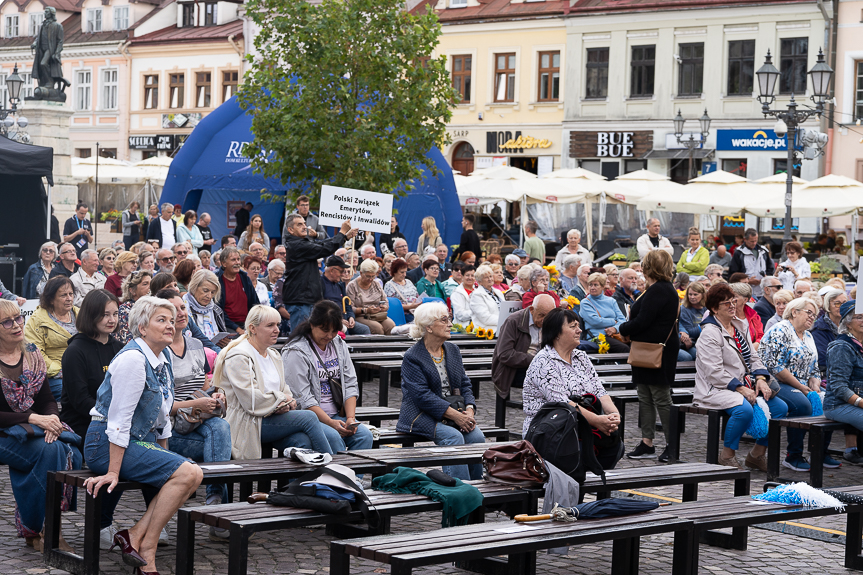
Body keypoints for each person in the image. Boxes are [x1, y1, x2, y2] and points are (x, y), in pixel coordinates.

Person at [82, 296, 203, 575]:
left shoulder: (163, 357)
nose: (170, 325)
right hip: (104, 443)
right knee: (189, 473)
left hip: (139, 441)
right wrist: (113, 472)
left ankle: (136, 537)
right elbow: (119, 420)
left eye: (171, 320)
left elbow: (163, 418)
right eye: (161, 320)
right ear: (142, 327)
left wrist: (167, 457)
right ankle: (145, 546)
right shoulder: (134, 359)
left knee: (189, 473)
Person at [0, 299, 81, 553]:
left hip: (30, 431)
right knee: (55, 452)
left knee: (61, 450)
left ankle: (40, 530)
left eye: (18, 318)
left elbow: (46, 400)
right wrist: (32, 418)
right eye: (7, 322)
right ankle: (45, 530)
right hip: (5, 433)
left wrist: (52, 419)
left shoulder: (33, 353)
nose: (16, 325)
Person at [212, 305, 332, 460]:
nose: (277, 330)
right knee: (309, 417)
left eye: (278, 325)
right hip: (247, 422)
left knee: (303, 442)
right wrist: (281, 401)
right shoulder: (239, 356)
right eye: (270, 325)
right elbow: (251, 400)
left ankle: (301, 484)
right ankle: (335, 470)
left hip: (272, 418)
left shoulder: (273, 354)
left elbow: (284, 388)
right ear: (252, 328)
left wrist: (289, 401)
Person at [693, 283, 788, 470]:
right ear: (714, 309)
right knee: (744, 410)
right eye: (726, 303)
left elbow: (753, 357)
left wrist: (761, 379)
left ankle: (756, 455)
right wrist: (741, 388)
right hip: (715, 388)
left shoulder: (739, 325)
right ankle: (727, 455)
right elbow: (714, 372)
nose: (732, 306)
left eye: (733, 301)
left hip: (743, 385)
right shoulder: (710, 333)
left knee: (780, 408)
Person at [157, 290, 231, 531]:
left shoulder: (197, 345)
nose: (181, 313)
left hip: (198, 422)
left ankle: (215, 501)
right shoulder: (158, 350)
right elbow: (161, 407)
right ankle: (217, 508)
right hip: (168, 432)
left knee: (220, 427)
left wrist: (215, 395)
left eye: (183, 307)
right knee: (219, 438)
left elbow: (204, 386)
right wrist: (196, 404)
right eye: (174, 309)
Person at [522, 307, 622, 466]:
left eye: (578, 325)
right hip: (549, 433)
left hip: (579, 428)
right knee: (582, 452)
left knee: (614, 445)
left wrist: (614, 414)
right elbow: (562, 404)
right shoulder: (543, 361)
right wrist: (597, 420)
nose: (579, 330)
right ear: (556, 333)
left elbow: (599, 390)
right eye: (573, 326)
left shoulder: (580, 356)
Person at [397, 302, 484, 480]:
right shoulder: (413, 357)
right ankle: (460, 492)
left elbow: (465, 384)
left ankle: (477, 489)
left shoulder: (452, 350)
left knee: (477, 437)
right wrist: (456, 416)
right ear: (428, 327)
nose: (450, 324)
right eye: (444, 320)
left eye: (449, 319)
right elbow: (422, 397)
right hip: (421, 413)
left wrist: (469, 410)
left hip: (453, 410)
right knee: (453, 437)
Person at [282, 300, 373, 453]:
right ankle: (337, 476)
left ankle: (352, 476)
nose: (329, 335)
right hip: (311, 419)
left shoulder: (338, 343)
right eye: (324, 330)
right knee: (333, 437)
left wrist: (350, 418)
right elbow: (303, 398)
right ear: (312, 324)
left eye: (334, 331)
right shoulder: (296, 351)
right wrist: (330, 422)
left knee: (364, 436)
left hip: (338, 414)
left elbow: (350, 381)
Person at [761, 296, 835, 471]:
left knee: (831, 402)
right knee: (802, 406)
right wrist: (802, 388)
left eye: (815, 315)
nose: (812, 317)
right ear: (794, 312)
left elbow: (814, 368)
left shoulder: (808, 336)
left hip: (803, 384)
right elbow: (775, 366)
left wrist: (815, 385)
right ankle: (793, 455)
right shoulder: (780, 330)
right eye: (809, 312)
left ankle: (820, 453)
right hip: (777, 382)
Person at [619, 250, 679, 462]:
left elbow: (643, 321)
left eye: (644, 264)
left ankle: (673, 445)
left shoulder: (660, 290)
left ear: (649, 267)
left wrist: (622, 327)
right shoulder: (657, 289)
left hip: (657, 349)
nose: (641, 267)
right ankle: (647, 442)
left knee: (661, 397)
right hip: (647, 347)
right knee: (645, 395)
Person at [283, 215, 357, 330]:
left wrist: (344, 237)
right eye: (299, 224)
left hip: (306, 299)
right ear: (290, 230)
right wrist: (341, 232)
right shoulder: (297, 245)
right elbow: (324, 249)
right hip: (300, 300)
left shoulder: (301, 243)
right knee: (300, 339)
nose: (304, 226)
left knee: (307, 338)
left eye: (304, 223)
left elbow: (320, 244)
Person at [492, 293, 556, 402]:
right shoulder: (513, 321)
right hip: (512, 370)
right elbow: (504, 354)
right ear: (531, 309)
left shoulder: (552, 322)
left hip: (540, 367)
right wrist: (536, 360)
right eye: (541, 315)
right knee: (549, 380)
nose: (544, 320)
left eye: (548, 316)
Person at [24, 277, 77, 402]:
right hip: (53, 376)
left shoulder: (80, 314)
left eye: (71, 294)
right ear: (51, 299)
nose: (69, 298)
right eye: (63, 295)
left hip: (80, 372)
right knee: (73, 392)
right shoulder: (37, 320)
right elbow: (34, 354)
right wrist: (61, 371)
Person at [825, 301, 863, 465]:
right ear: (847, 323)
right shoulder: (842, 346)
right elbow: (839, 387)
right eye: (859, 317)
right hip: (838, 405)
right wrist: (861, 402)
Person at [579, 272, 630, 353]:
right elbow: (595, 321)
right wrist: (613, 321)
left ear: (603, 286)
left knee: (633, 345)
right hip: (597, 337)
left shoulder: (611, 301)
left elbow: (622, 320)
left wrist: (615, 328)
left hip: (614, 334)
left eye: (596, 285)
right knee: (624, 348)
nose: (592, 287)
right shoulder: (585, 302)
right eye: (590, 285)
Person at [320, 256, 371, 335]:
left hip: (345, 319)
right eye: (341, 271)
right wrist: (337, 320)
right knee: (344, 330)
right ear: (332, 270)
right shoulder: (320, 284)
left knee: (364, 329)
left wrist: (351, 317)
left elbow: (348, 305)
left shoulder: (340, 285)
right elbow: (320, 308)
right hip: (330, 321)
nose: (342, 274)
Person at [216, 246, 260, 334]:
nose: (237, 263)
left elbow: (255, 304)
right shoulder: (217, 280)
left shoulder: (245, 278)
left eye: (238, 259)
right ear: (224, 263)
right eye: (233, 260)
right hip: (226, 326)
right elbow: (218, 311)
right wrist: (237, 328)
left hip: (247, 324)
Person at [347, 259, 394, 335]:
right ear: (361, 273)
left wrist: (384, 307)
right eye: (368, 276)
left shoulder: (376, 284)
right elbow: (350, 308)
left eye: (373, 276)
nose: (370, 279)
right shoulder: (352, 286)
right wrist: (366, 310)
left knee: (391, 326)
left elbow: (385, 300)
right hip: (361, 316)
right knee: (377, 329)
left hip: (377, 315)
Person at [812, 289, 848, 380]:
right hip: (829, 375)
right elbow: (823, 358)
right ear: (828, 306)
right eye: (837, 304)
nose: (842, 307)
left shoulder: (851, 324)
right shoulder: (819, 328)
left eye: (844, 303)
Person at [728, 228, 774, 298]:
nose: (754, 243)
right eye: (752, 241)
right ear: (745, 240)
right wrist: (747, 281)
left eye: (756, 240)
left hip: (762, 291)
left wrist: (766, 278)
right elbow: (733, 274)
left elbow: (770, 268)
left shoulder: (763, 251)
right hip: (745, 292)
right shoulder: (739, 252)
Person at [114, 271, 153, 345]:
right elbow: (125, 339)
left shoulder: (154, 307)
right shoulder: (125, 310)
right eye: (145, 284)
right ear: (132, 290)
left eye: (151, 284)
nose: (150, 287)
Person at [469, 265, 505, 331]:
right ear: (479, 281)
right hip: (486, 331)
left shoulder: (498, 292)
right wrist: (504, 320)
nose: (490, 279)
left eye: (491, 276)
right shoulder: (477, 295)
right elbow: (485, 318)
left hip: (502, 328)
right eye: (486, 277)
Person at [730, 283, 763, 348]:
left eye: (735, 296)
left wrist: (756, 344)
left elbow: (761, 335)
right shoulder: (727, 315)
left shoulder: (753, 315)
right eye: (729, 296)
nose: (731, 299)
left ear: (745, 300)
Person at [678, 282, 706, 361]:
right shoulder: (684, 309)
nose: (692, 297)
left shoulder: (706, 308)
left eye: (695, 294)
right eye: (690, 294)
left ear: (702, 295)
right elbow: (690, 332)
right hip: (691, 343)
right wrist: (705, 325)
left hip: (705, 341)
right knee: (696, 355)